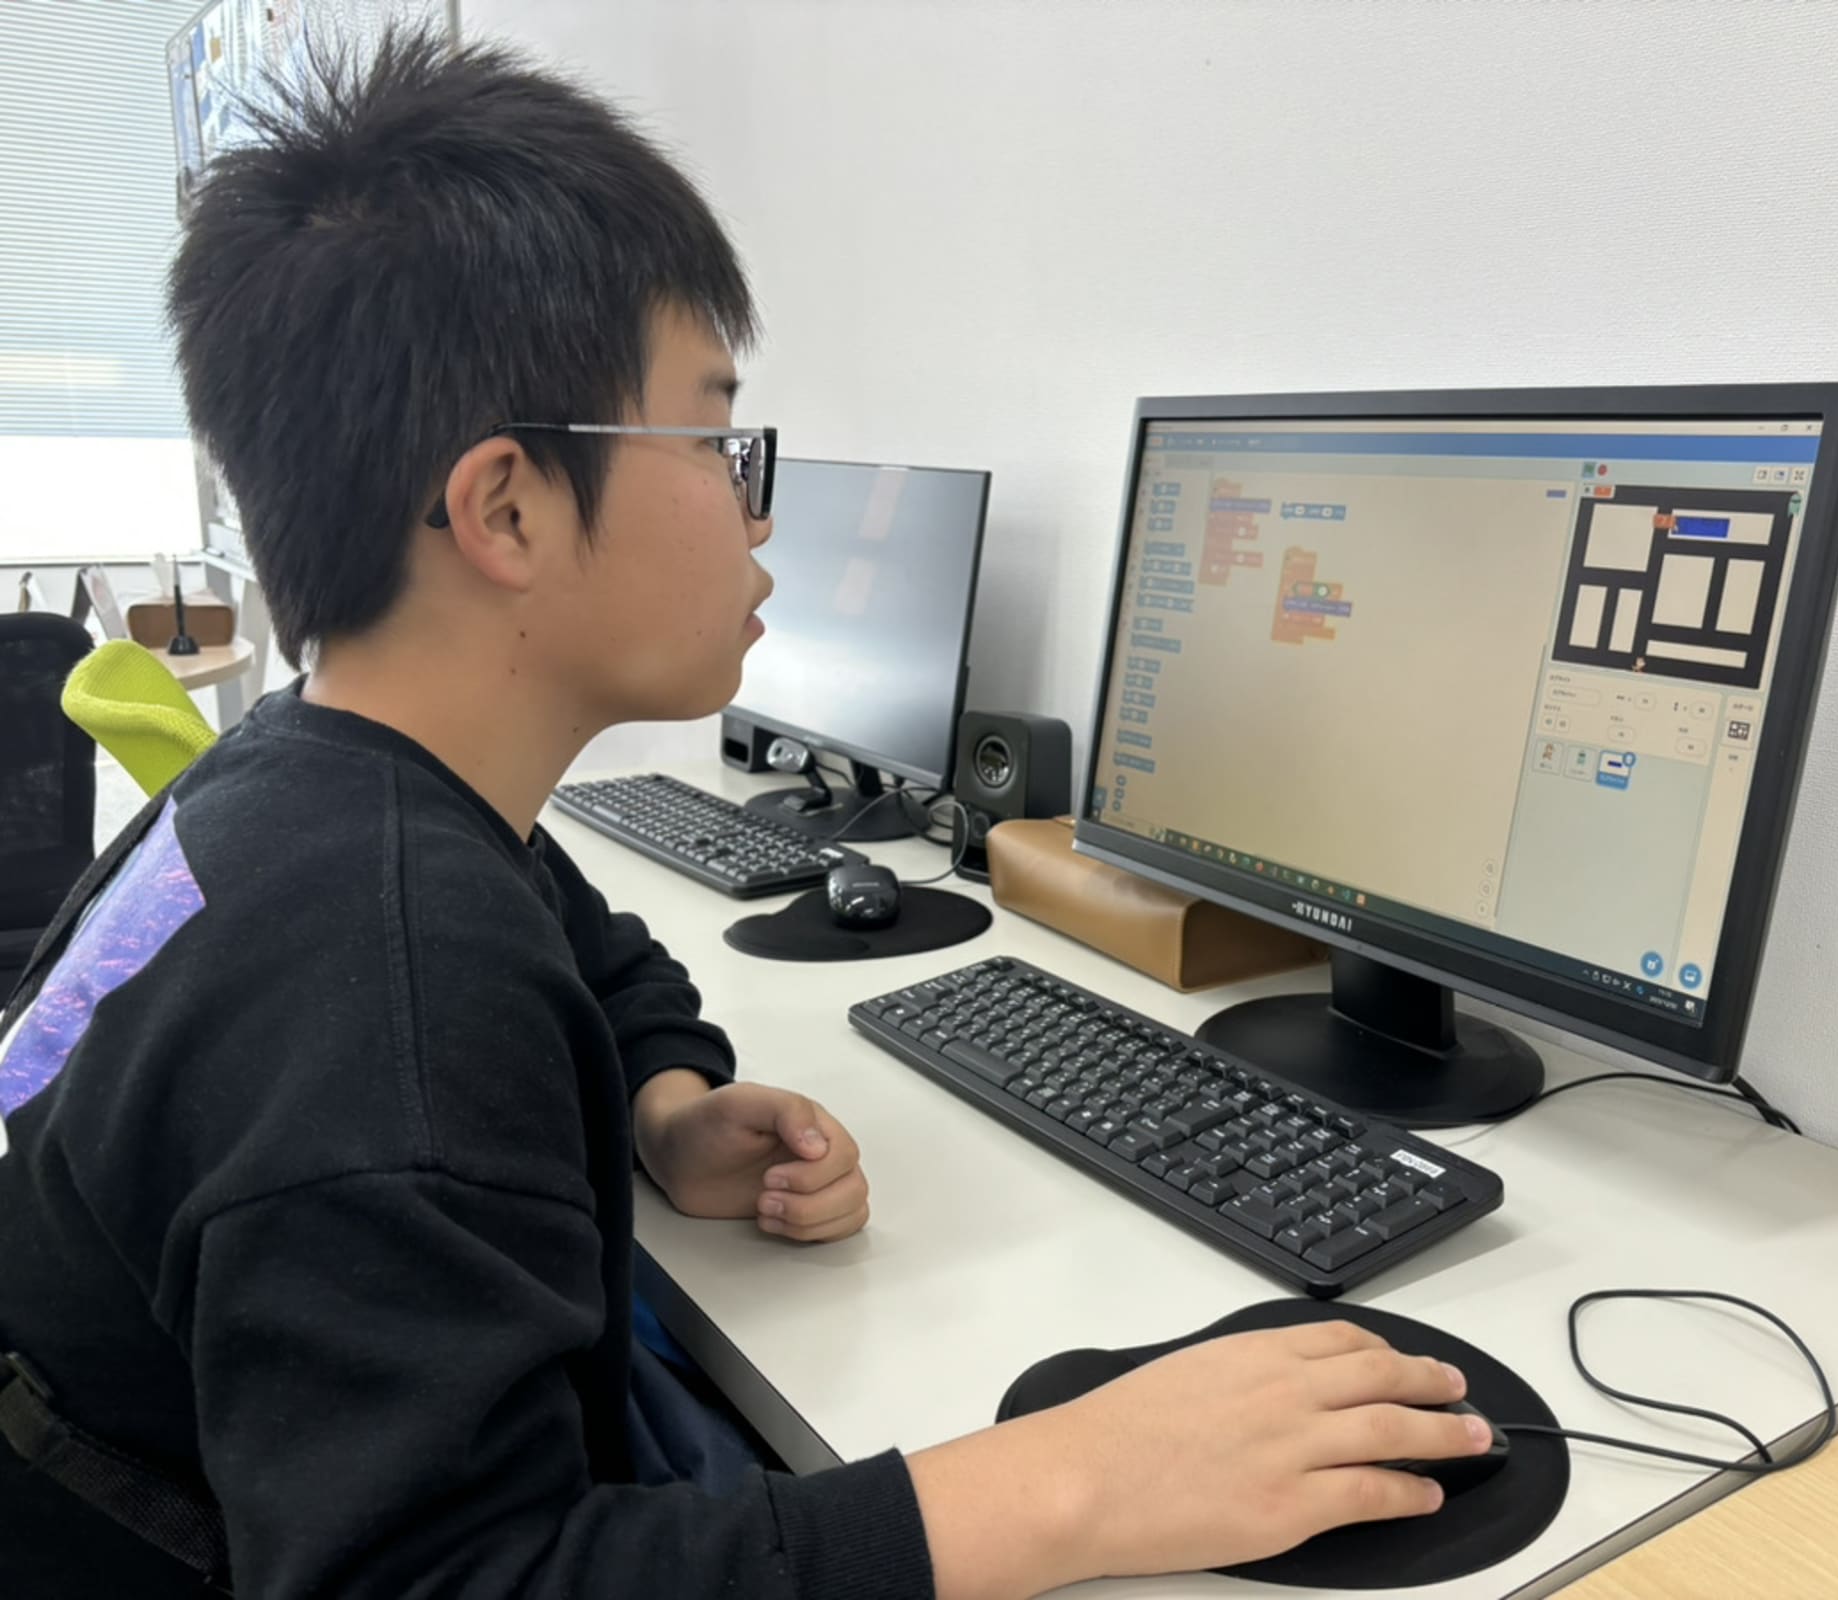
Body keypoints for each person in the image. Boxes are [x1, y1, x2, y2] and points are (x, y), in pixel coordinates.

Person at [0, 31, 1492, 1600]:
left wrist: (663, 1111)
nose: (757, 509)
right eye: (715, 441)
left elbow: (598, 956)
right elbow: (447, 1581)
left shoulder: (325, 787)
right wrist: (1074, 1485)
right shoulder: (386, 975)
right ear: (505, 507)